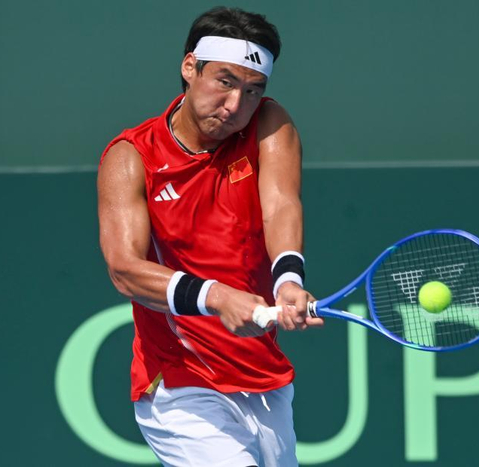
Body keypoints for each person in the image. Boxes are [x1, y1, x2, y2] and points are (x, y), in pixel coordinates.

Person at [97, 7, 323, 467]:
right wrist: (217, 298)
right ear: (189, 67)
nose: (236, 105)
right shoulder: (131, 157)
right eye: (225, 81)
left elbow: (281, 203)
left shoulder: (268, 123)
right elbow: (125, 270)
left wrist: (288, 281)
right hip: (180, 384)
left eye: (253, 89)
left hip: (264, 379)